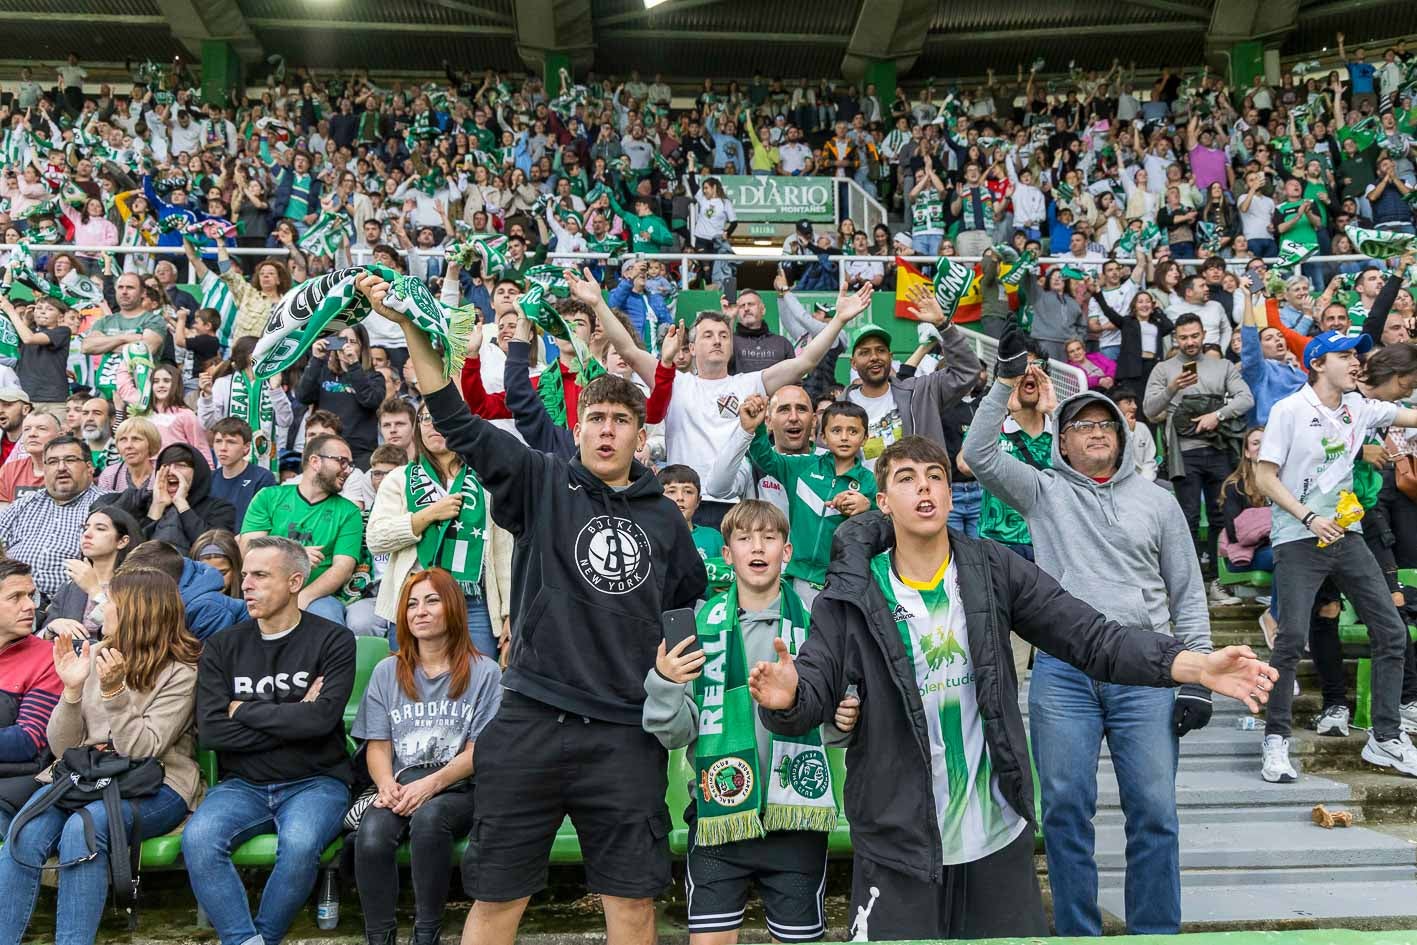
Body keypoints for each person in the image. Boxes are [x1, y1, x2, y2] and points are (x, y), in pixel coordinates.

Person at [749, 436, 1277, 941]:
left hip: (995, 837)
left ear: (951, 495)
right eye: (907, 479)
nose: (925, 488)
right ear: (883, 501)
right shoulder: (851, 593)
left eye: (936, 477)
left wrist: (1192, 666)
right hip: (897, 842)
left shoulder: (992, 568)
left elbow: (1091, 638)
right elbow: (815, 682)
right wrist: (790, 695)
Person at [355, 271, 706, 945]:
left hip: (624, 733)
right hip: (530, 719)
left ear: (640, 434)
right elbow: (453, 416)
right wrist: (406, 328)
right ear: (577, 428)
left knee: (633, 905)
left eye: (621, 421)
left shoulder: (665, 519)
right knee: (496, 899)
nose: (606, 431)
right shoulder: (541, 480)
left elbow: (685, 604)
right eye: (595, 419)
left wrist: (671, 670)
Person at [963, 351, 1213, 937]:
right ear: (1063, 443)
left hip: (1146, 671)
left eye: (1107, 425)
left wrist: (1196, 676)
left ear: (1124, 439)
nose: (1097, 433)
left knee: (1154, 811)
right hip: (1063, 672)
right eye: (1081, 426)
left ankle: (1155, 932)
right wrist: (1003, 383)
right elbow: (977, 454)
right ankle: (1078, 932)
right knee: (1066, 810)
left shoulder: (1158, 502)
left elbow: (1187, 592)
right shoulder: (1043, 492)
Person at [643, 500, 855, 945]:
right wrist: (664, 683)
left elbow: (835, 730)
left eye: (769, 537)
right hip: (718, 818)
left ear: (787, 551)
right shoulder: (702, 625)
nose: (757, 547)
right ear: (726, 554)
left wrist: (845, 716)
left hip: (796, 821)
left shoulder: (819, 626)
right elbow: (676, 732)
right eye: (744, 538)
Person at [0, 569, 201, 945]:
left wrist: (115, 692)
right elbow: (61, 746)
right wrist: (73, 691)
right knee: (23, 831)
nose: (99, 607)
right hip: (85, 777)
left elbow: (141, 749)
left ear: (136, 611)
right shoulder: (92, 654)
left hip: (154, 785)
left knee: (85, 828)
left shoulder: (181, 672)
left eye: (109, 601)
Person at [1255, 331, 1417, 782]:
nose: (1356, 363)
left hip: (1346, 535)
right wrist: (1307, 517)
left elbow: (1411, 413)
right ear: (1318, 363)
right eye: (1345, 355)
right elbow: (1265, 477)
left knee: (1391, 631)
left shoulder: (1360, 407)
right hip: (1297, 536)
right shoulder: (1289, 411)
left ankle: (1385, 739)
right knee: (1288, 642)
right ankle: (1275, 741)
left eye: (1356, 354)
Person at [181, 536, 355, 945]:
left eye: (260, 575)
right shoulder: (223, 647)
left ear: (295, 581)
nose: (246, 586)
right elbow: (212, 732)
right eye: (245, 576)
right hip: (243, 785)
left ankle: (264, 937)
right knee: (200, 839)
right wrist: (298, 715)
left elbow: (322, 720)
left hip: (316, 781)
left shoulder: (332, 640)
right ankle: (247, 941)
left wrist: (242, 710)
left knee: (299, 845)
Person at [352, 568, 502, 945]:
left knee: (430, 822)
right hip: (401, 785)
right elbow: (378, 745)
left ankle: (426, 933)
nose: (420, 611)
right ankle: (379, 938)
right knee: (371, 835)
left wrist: (431, 785)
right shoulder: (389, 672)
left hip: (460, 787)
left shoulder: (485, 673)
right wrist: (385, 785)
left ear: (453, 607)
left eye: (432, 600)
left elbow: (478, 751)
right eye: (412, 604)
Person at [364, 405, 511, 656]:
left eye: (442, 417)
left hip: (473, 603)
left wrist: (510, 612)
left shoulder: (486, 481)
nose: (435, 425)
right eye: (427, 419)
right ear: (419, 428)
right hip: (413, 600)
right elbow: (376, 538)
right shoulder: (399, 478)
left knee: (476, 682)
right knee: (410, 687)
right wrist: (428, 515)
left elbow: (504, 552)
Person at [1144, 313, 1255, 583]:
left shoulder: (1223, 365)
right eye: (1184, 337)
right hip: (1184, 453)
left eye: (1194, 335)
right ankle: (1190, 581)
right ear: (1175, 339)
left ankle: (1221, 579)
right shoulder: (1164, 369)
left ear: (1204, 334)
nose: (1190, 341)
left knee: (1223, 515)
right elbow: (1149, 410)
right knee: (1188, 517)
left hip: (1219, 448)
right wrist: (1171, 389)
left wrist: (1216, 416)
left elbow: (1246, 399)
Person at [741, 396, 875, 607]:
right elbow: (766, 458)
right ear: (822, 435)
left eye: (853, 431)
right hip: (799, 574)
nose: (844, 437)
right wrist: (756, 429)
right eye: (836, 430)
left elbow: (890, 521)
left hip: (843, 578)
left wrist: (869, 507)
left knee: (835, 638)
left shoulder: (870, 483)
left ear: (865, 438)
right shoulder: (803, 467)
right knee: (801, 634)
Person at [842, 286, 984, 473]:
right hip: (866, 499)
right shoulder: (841, 406)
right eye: (865, 352)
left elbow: (968, 371)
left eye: (880, 350)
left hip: (919, 497)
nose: (874, 357)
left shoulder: (921, 392)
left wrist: (943, 325)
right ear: (853, 363)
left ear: (891, 357)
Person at [238, 434, 364, 624]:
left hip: (316, 596)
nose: (347, 471)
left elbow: (343, 568)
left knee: (327, 620)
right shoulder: (268, 497)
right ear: (315, 461)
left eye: (349, 465)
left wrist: (303, 597)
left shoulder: (349, 512)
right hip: (264, 589)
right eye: (342, 462)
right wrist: (295, 555)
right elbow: (248, 549)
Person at [0, 436, 104, 603]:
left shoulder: (105, 505)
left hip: (71, 605)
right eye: (53, 462)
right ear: (45, 469)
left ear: (89, 467)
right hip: (15, 601)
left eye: (70, 460)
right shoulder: (25, 503)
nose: (61, 468)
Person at [0, 558, 63, 823]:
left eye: (30, 595)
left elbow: (29, 740)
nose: (30, 606)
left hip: (12, 789)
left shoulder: (47, 657)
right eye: (16, 597)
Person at [705, 384, 817, 520]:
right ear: (768, 421)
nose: (793, 417)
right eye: (784, 410)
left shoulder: (829, 461)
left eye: (801, 409)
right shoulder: (752, 461)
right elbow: (716, 488)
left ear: (814, 420)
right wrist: (746, 431)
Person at [95, 443, 236, 548]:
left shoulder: (220, 508)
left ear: (197, 471)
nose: (172, 471)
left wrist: (181, 503)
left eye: (181, 465)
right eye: (166, 465)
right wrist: (157, 506)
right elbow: (134, 549)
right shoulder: (143, 503)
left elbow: (210, 547)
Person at [197, 335, 294, 475]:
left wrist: (276, 390)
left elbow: (286, 421)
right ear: (251, 357)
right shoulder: (224, 383)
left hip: (265, 463)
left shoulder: (271, 381)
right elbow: (208, 423)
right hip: (231, 462)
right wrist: (207, 397)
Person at [41, 505, 141, 634]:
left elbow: (131, 635)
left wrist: (94, 590)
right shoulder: (69, 587)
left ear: (122, 541)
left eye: (100, 529)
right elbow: (39, 639)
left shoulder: (138, 586)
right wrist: (51, 628)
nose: (87, 534)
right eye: (85, 528)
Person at [297, 325, 386, 468]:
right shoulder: (324, 372)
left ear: (362, 347)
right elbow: (303, 396)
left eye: (352, 341)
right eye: (342, 340)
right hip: (324, 451)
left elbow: (370, 400)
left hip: (359, 453)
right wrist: (316, 360)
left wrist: (354, 366)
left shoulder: (374, 377)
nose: (346, 346)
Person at [657, 465, 733, 594]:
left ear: (698, 501)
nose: (680, 497)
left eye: (688, 491)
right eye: (671, 491)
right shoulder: (651, 537)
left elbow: (729, 574)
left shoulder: (713, 537)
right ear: (657, 499)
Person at [208, 417, 278, 528]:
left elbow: (265, 521)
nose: (223, 448)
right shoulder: (209, 478)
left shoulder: (262, 478)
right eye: (218, 441)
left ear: (246, 447)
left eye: (231, 442)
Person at [0, 410, 61, 509]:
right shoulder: (9, 470)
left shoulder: (69, 470)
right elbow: (3, 516)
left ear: (60, 436)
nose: (32, 434)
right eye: (27, 429)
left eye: (42, 428)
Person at [96, 416, 161, 493]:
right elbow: (102, 504)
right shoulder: (109, 475)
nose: (128, 445)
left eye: (136, 439)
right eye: (123, 439)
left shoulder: (164, 473)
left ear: (151, 443)